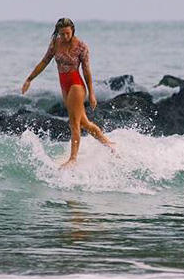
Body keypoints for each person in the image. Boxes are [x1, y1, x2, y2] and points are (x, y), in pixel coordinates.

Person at [21, 18, 118, 169]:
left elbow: (86, 71)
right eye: (62, 34)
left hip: (76, 85)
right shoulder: (55, 43)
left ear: (73, 30)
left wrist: (91, 94)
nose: (65, 36)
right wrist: (29, 79)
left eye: (67, 33)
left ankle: (73, 159)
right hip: (64, 85)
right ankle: (108, 144)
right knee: (84, 123)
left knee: (74, 123)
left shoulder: (81, 47)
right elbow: (44, 62)